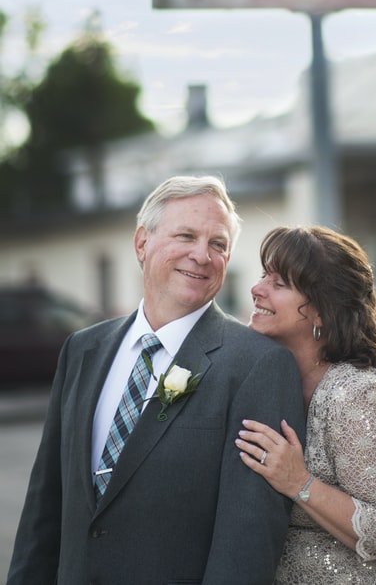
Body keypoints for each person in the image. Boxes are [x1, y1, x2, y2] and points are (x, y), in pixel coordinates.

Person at [8, 176, 305, 585]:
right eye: (186, 235)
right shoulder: (82, 350)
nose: (202, 255)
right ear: (141, 243)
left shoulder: (258, 365)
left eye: (217, 244)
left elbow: (248, 538)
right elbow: (45, 506)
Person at [237, 225, 376, 584]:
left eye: (279, 283)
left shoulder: (359, 395)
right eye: (262, 276)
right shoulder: (268, 382)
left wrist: (298, 481)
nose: (257, 289)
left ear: (321, 311)